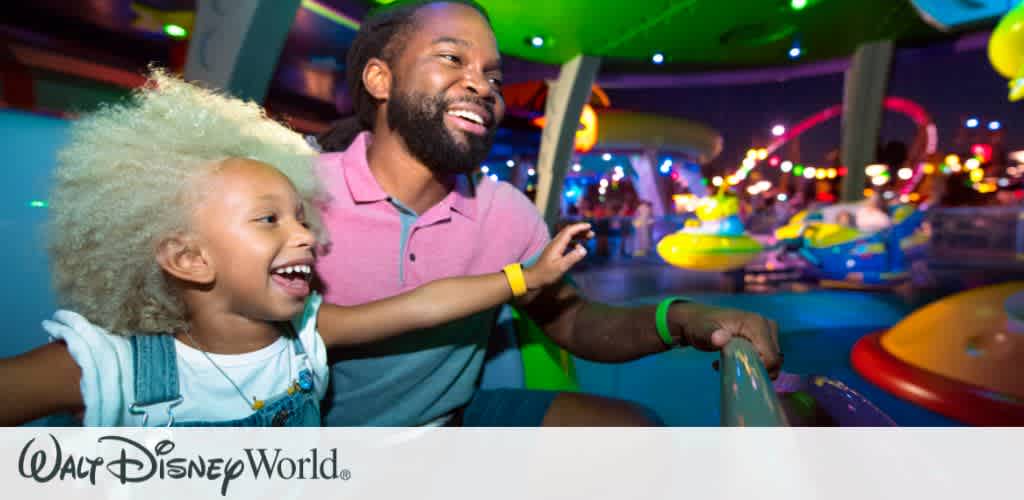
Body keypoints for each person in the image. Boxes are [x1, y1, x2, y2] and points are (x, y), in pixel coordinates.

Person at [0, 70, 592, 427]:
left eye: (300, 216)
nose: (307, 235)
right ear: (188, 258)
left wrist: (523, 280)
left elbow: (422, 305)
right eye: (268, 219)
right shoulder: (111, 367)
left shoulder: (308, 338)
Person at [313, 0, 782, 427]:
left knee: (634, 431)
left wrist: (680, 318)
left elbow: (574, 320)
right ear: (380, 79)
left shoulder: (503, 212)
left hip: (449, 424)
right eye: (453, 59)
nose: (483, 87)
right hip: (310, 437)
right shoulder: (297, 193)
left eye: (494, 77)